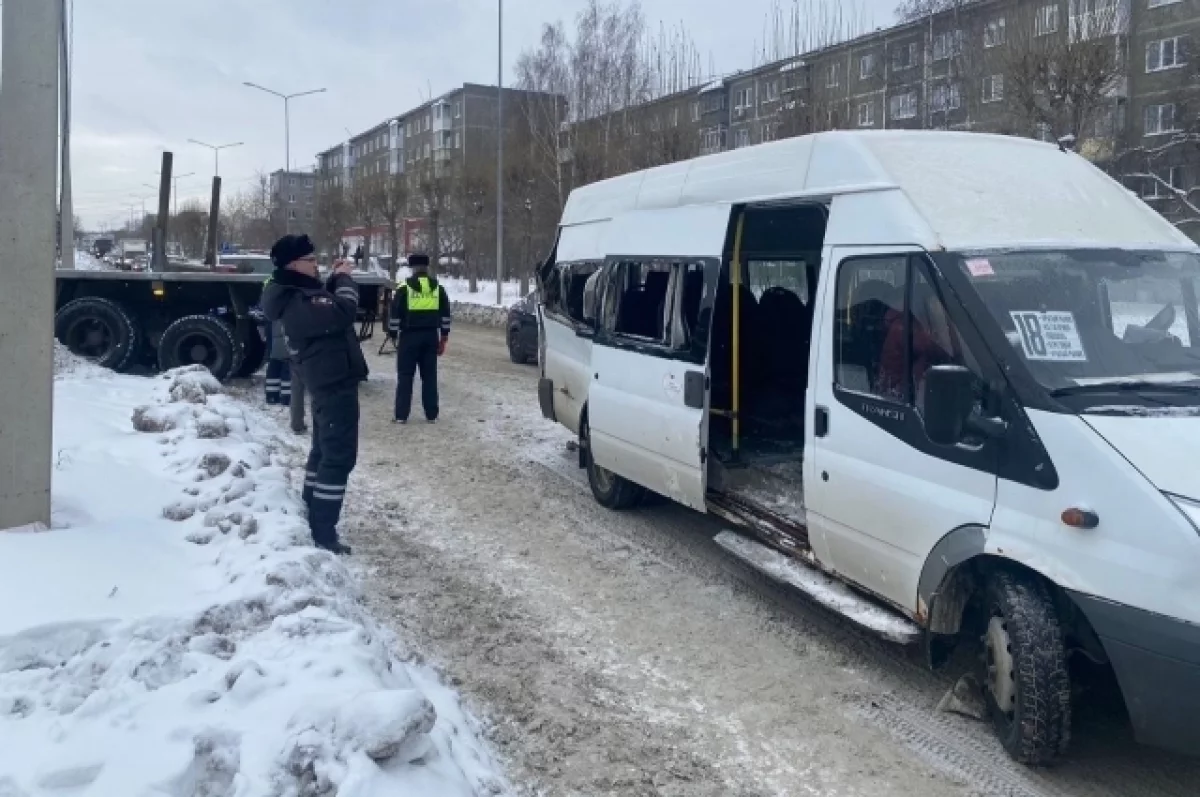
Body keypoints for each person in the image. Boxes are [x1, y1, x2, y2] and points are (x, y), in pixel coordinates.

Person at [262, 234, 367, 555]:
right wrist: (345, 279)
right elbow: (343, 311)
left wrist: (333, 280)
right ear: (294, 265)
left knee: (323, 451)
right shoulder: (296, 298)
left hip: (328, 380)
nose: (315, 264)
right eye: (310, 260)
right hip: (332, 383)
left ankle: (310, 511)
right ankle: (323, 531)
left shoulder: (295, 292)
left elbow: (326, 306)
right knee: (338, 457)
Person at [389, 253, 451, 423]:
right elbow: (446, 314)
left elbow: (394, 314)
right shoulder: (438, 288)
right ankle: (432, 415)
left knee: (405, 376)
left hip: (409, 337)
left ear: (412, 268)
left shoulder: (404, 288)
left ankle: (401, 415)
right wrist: (444, 335)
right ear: (427, 267)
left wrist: (393, 334)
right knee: (429, 376)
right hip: (430, 337)